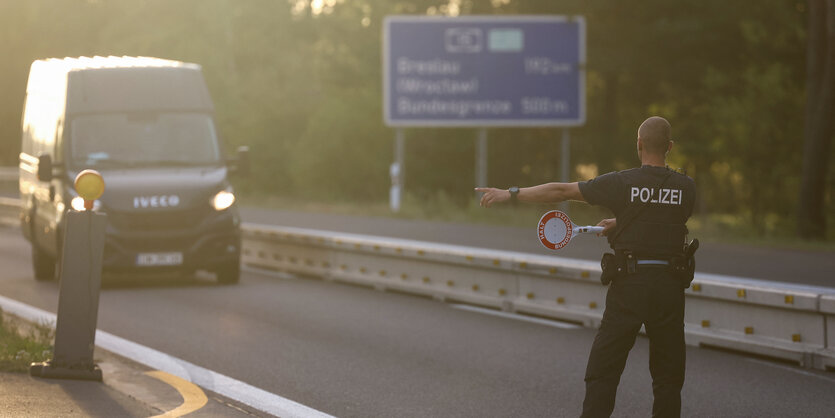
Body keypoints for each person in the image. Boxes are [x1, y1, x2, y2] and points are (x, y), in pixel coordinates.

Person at [475, 116, 696, 418]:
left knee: (603, 373)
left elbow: (561, 191)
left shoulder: (622, 183)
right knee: (668, 380)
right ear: (669, 147)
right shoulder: (687, 187)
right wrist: (622, 223)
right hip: (670, 289)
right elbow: (667, 219)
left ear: (639, 144)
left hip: (630, 287)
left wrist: (511, 193)